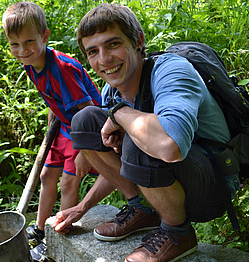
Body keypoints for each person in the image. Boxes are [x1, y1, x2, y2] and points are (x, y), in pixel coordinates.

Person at [52, 3, 239, 262]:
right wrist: (83, 207)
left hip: (213, 184)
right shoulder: (113, 91)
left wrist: (118, 114)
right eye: (93, 51)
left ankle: (178, 233)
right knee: (85, 121)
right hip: (175, 176)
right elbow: (120, 167)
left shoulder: (171, 71)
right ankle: (144, 210)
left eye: (113, 44)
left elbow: (169, 145)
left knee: (139, 136)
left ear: (138, 41)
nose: (104, 59)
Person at [2, 1, 102, 259]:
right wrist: (51, 132)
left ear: (44, 36)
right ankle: (39, 229)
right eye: (15, 44)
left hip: (87, 129)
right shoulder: (30, 64)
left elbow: (88, 111)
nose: (22, 50)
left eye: (28, 42)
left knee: (69, 182)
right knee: (47, 176)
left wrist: (85, 150)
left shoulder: (62, 69)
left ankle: (58, 234)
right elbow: (52, 99)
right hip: (65, 128)